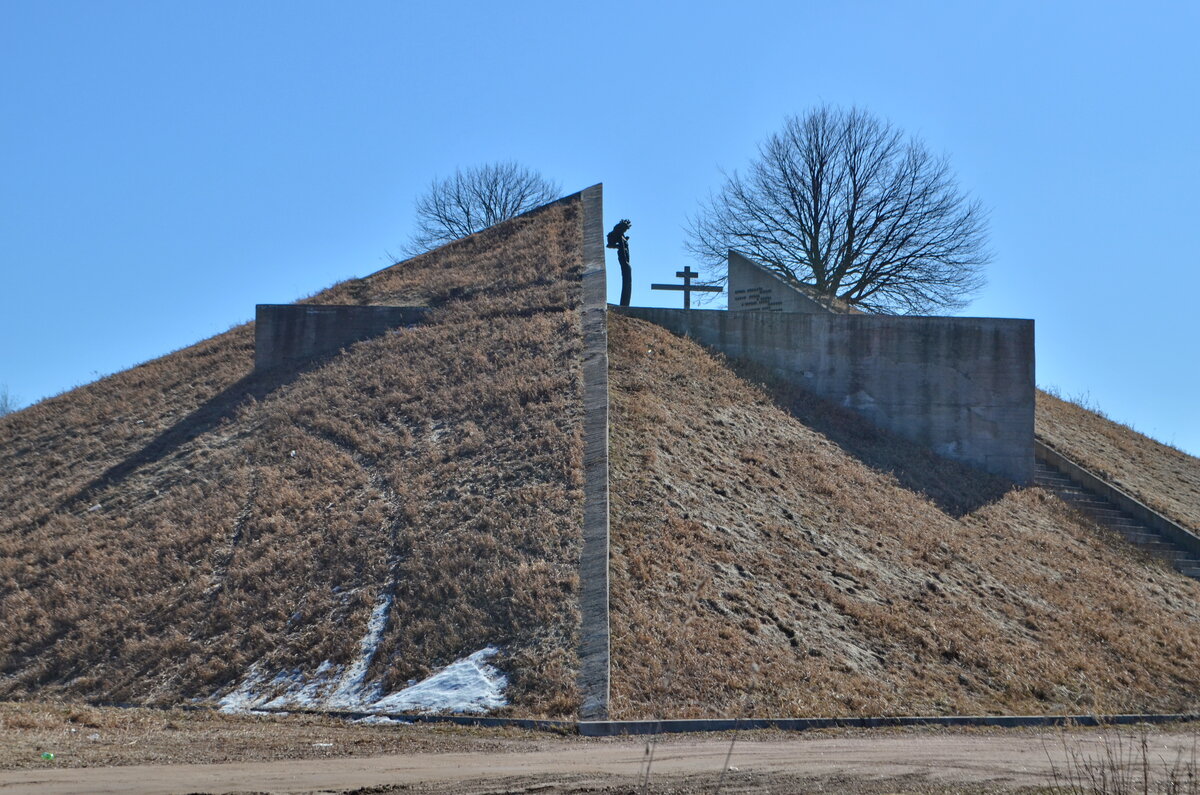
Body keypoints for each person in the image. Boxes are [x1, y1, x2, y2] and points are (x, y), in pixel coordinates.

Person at [606, 219, 632, 306]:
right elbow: (609, 244)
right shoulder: (617, 234)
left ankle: (625, 304)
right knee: (627, 275)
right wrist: (619, 246)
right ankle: (624, 304)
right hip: (623, 258)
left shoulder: (622, 235)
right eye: (625, 228)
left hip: (626, 259)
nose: (626, 230)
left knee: (628, 276)